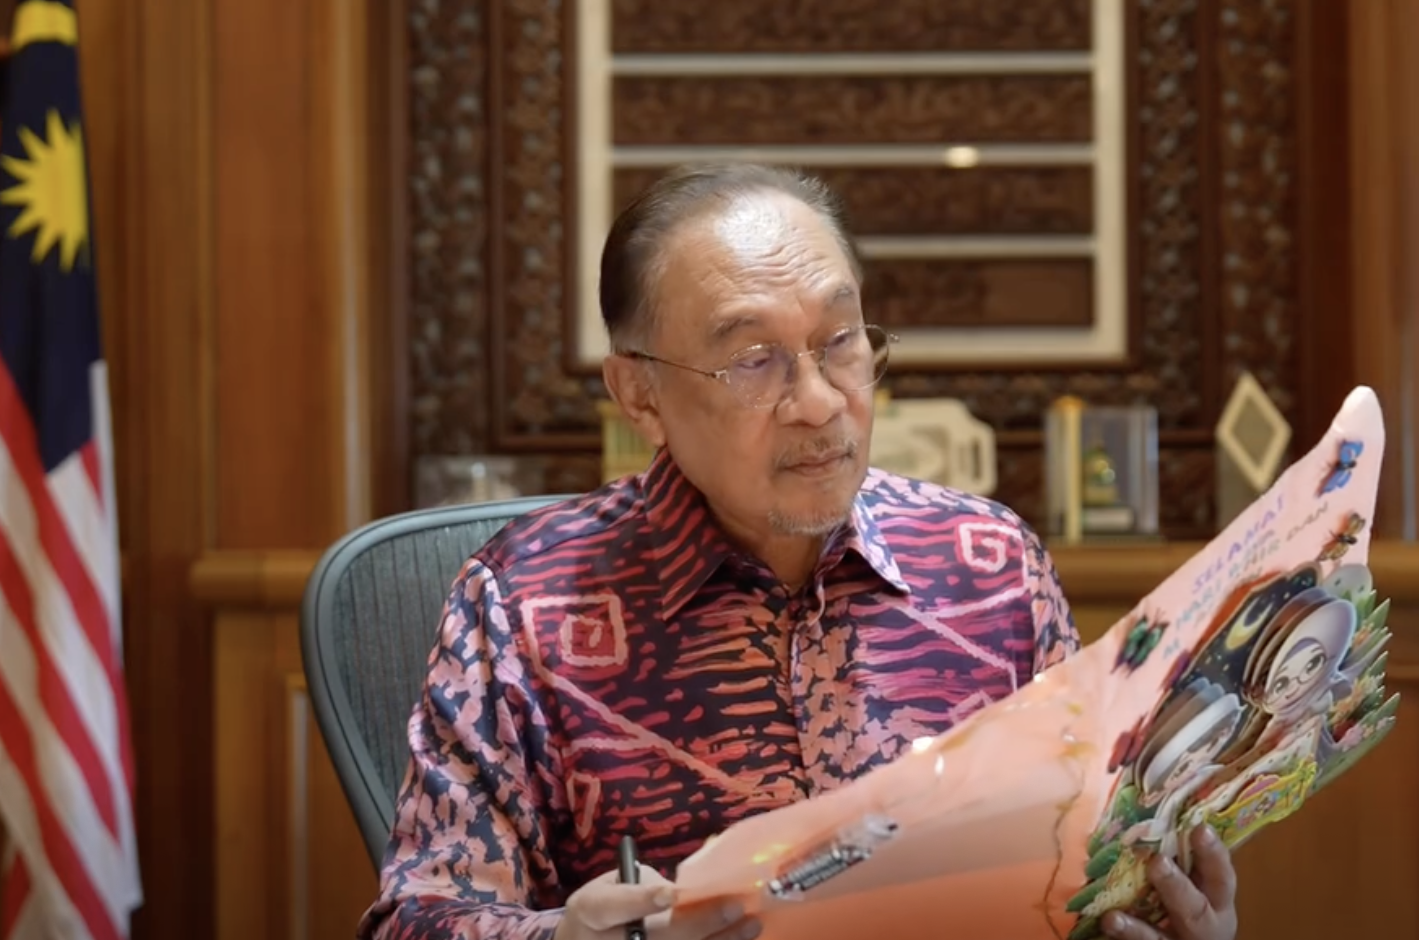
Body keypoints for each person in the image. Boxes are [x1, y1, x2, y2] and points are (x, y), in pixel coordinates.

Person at [356, 163, 1240, 940]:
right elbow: (418, 916)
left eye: (840, 341)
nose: (818, 401)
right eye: (753, 360)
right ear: (639, 393)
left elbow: (1079, 855)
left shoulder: (989, 565)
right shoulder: (523, 600)